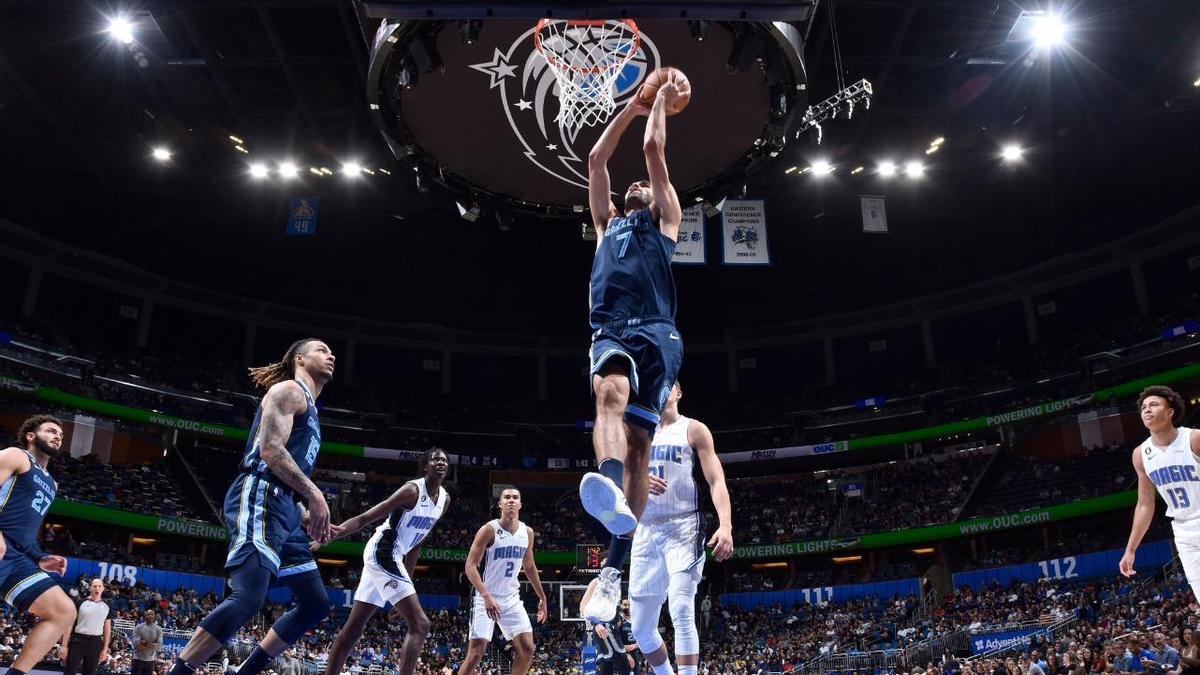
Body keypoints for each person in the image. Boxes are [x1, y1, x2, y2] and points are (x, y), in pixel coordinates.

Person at [579, 66, 690, 624]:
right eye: (635, 186)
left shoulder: (667, 217)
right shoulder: (606, 226)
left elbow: (651, 148)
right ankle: (603, 479)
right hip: (613, 326)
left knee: (642, 449)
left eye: (643, 184)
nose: (636, 184)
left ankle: (613, 568)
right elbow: (596, 161)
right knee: (609, 396)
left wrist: (661, 104)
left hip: (659, 331)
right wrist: (632, 105)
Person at [167, 339, 339, 675]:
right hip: (260, 494)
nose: (331, 355)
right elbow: (270, 452)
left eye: (332, 351)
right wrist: (315, 496)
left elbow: (290, 472)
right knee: (248, 599)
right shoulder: (289, 390)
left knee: (316, 604)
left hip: (285, 507)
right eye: (322, 349)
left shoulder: (313, 412)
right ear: (299, 359)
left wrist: (306, 515)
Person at [626, 382, 734, 675]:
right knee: (641, 628)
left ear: (678, 393)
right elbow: (621, 483)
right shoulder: (638, 434)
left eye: (668, 384)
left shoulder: (694, 429)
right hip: (646, 529)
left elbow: (716, 481)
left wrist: (726, 525)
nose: (660, 389)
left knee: (681, 607)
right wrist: (639, 482)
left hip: (684, 525)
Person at [321, 448, 451, 675]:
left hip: (395, 557)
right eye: (435, 459)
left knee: (353, 631)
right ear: (426, 465)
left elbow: (416, 545)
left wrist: (406, 585)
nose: (441, 462)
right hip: (383, 551)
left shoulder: (444, 500)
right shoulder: (412, 490)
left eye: (444, 460)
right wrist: (331, 536)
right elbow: (366, 518)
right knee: (421, 624)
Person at [0, 414, 77, 675]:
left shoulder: (52, 484)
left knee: (64, 611)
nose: (58, 436)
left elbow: (26, 528)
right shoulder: (16, 456)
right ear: (31, 436)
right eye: (51, 431)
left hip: (16, 557)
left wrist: (39, 557)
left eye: (61, 435)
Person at [458, 488, 548, 675]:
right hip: (485, 597)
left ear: (520, 504)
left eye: (516, 497)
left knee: (527, 649)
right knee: (476, 652)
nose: (511, 500)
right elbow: (470, 566)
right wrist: (486, 596)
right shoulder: (488, 530)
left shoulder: (527, 532)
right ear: (500, 504)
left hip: (511, 598)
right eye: (507, 497)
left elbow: (529, 567)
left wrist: (542, 596)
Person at [1120, 386, 1200, 594]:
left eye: (1154, 405)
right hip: (1183, 531)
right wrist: (1130, 549)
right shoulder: (1141, 455)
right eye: (1143, 407)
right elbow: (1146, 503)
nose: (1146, 410)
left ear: (1170, 412)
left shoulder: (1194, 439)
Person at [63, 578, 112, 675]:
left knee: (90, 672)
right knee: (69, 671)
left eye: (99, 586)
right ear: (90, 588)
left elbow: (107, 628)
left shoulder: (107, 606)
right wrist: (64, 645)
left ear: (103, 588)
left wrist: (105, 648)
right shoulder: (80, 602)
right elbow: (69, 624)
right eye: (94, 586)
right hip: (78, 640)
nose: (97, 588)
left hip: (96, 642)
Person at [594, 598, 637, 675]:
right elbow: (613, 639)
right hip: (621, 653)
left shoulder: (637, 620)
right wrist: (626, 654)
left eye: (629, 605)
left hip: (634, 653)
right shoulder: (618, 620)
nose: (627, 607)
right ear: (620, 606)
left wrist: (636, 645)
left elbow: (645, 639)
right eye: (625, 605)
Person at [132, 610, 163, 675]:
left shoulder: (159, 629)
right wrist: (153, 644)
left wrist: (144, 643)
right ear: (145, 616)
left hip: (151, 661)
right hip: (138, 659)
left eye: (152, 614)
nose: (150, 616)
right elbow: (136, 645)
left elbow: (159, 646)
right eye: (148, 614)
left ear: (154, 616)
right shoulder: (139, 627)